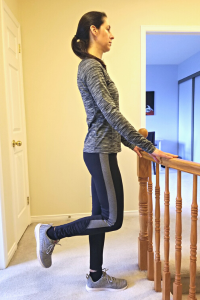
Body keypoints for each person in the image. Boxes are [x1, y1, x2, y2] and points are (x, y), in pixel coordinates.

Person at [34, 11, 178, 292]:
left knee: (99, 217)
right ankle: (50, 234)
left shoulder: (97, 66)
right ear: (93, 31)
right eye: (107, 28)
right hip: (99, 152)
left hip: (102, 150)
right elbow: (111, 114)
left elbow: (106, 118)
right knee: (112, 219)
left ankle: (96, 276)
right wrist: (150, 148)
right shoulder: (90, 67)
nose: (112, 35)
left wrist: (132, 144)